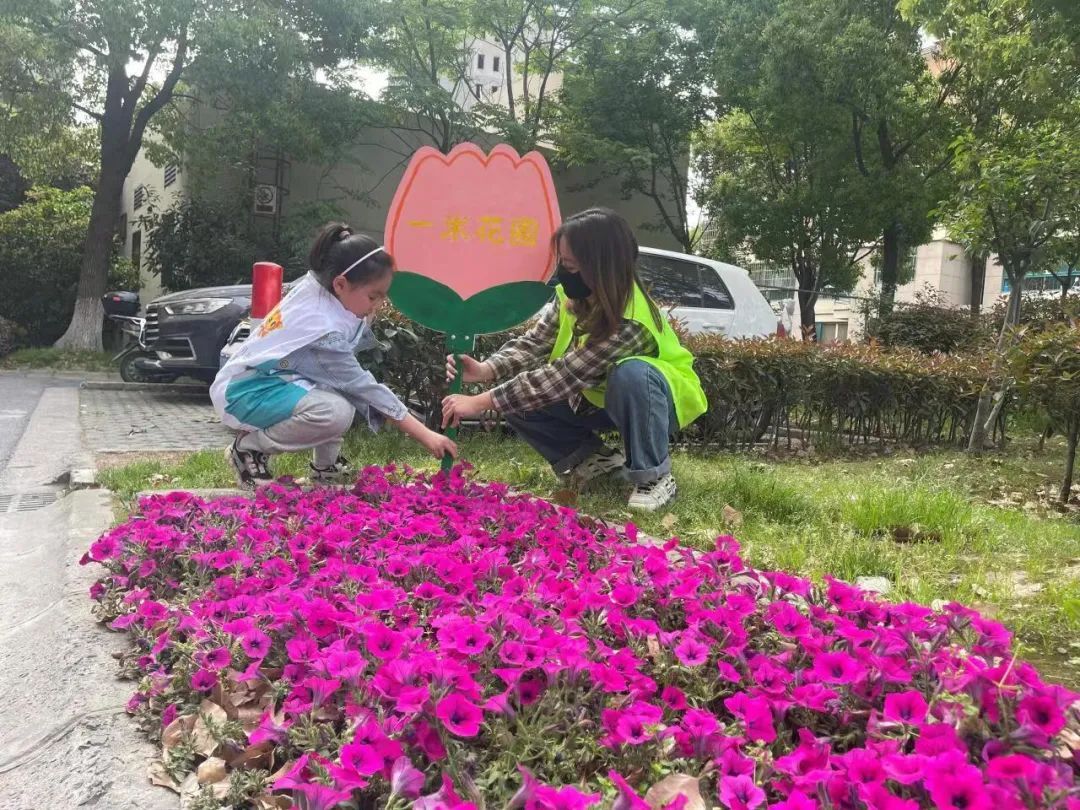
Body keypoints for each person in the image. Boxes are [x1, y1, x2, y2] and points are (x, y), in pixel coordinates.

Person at [441, 207, 707, 512]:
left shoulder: (631, 320)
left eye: (570, 265)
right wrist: (486, 369)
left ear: (600, 266)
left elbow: (561, 377)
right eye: (563, 262)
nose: (563, 272)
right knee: (517, 401)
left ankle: (653, 475)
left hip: (655, 404)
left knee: (632, 374)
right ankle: (597, 460)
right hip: (598, 400)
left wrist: (479, 402)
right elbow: (535, 342)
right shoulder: (574, 297)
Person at [210, 223, 457, 489]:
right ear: (340, 284)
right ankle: (248, 449)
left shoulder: (326, 290)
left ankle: (325, 467)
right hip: (244, 393)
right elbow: (365, 388)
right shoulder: (321, 328)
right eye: (373, 297)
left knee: (337, 392)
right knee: (334, 412)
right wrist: (426, 435)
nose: (378, 305)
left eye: (382, 297)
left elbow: (339, 379)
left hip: (270, 382)